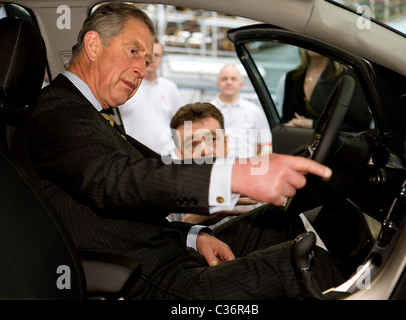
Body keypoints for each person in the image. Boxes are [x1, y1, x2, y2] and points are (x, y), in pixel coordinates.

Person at [12, 3, 344, 299]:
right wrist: (234, 176)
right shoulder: (57, 110)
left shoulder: (90, 112)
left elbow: (141, 183)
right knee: (305, 262)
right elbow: (114, 180)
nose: (142, 69)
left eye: (146, 58)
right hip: (148, 278)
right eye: (133, 52)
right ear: (94, 45)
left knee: (278, 220)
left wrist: (192, 236)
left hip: (167, 253)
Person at [167, 102, 260, 227]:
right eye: (193, 144)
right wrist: (189, 223)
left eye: (213, 139)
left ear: (226, 144)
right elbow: (164, 245)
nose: (205, 150)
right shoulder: (169, 199)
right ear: (180, 154)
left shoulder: (255, 188)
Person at [281, 49, 371, 132]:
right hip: (296, 144)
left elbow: (360, 125)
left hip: (332, 147)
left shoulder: (347, 77)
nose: (313, 41)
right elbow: (286, 118)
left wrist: (312, 124)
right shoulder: (293, 77)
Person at [120, 38, 182, 156]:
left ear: (162, 58)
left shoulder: (170, 88)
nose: (153, 59)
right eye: (150, 55)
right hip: (131, 155)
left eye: (157, 55)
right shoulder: (127, 85)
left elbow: (180, 124)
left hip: (163, 158)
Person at [210, 64, 272, 158]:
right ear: (218, 84)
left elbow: (263, 142)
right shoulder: (207, 111)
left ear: (241, 84)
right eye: (224, 79)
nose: (229, 82)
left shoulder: (253, 111)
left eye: (233, 79)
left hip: (247, 166)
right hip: (215, 166)